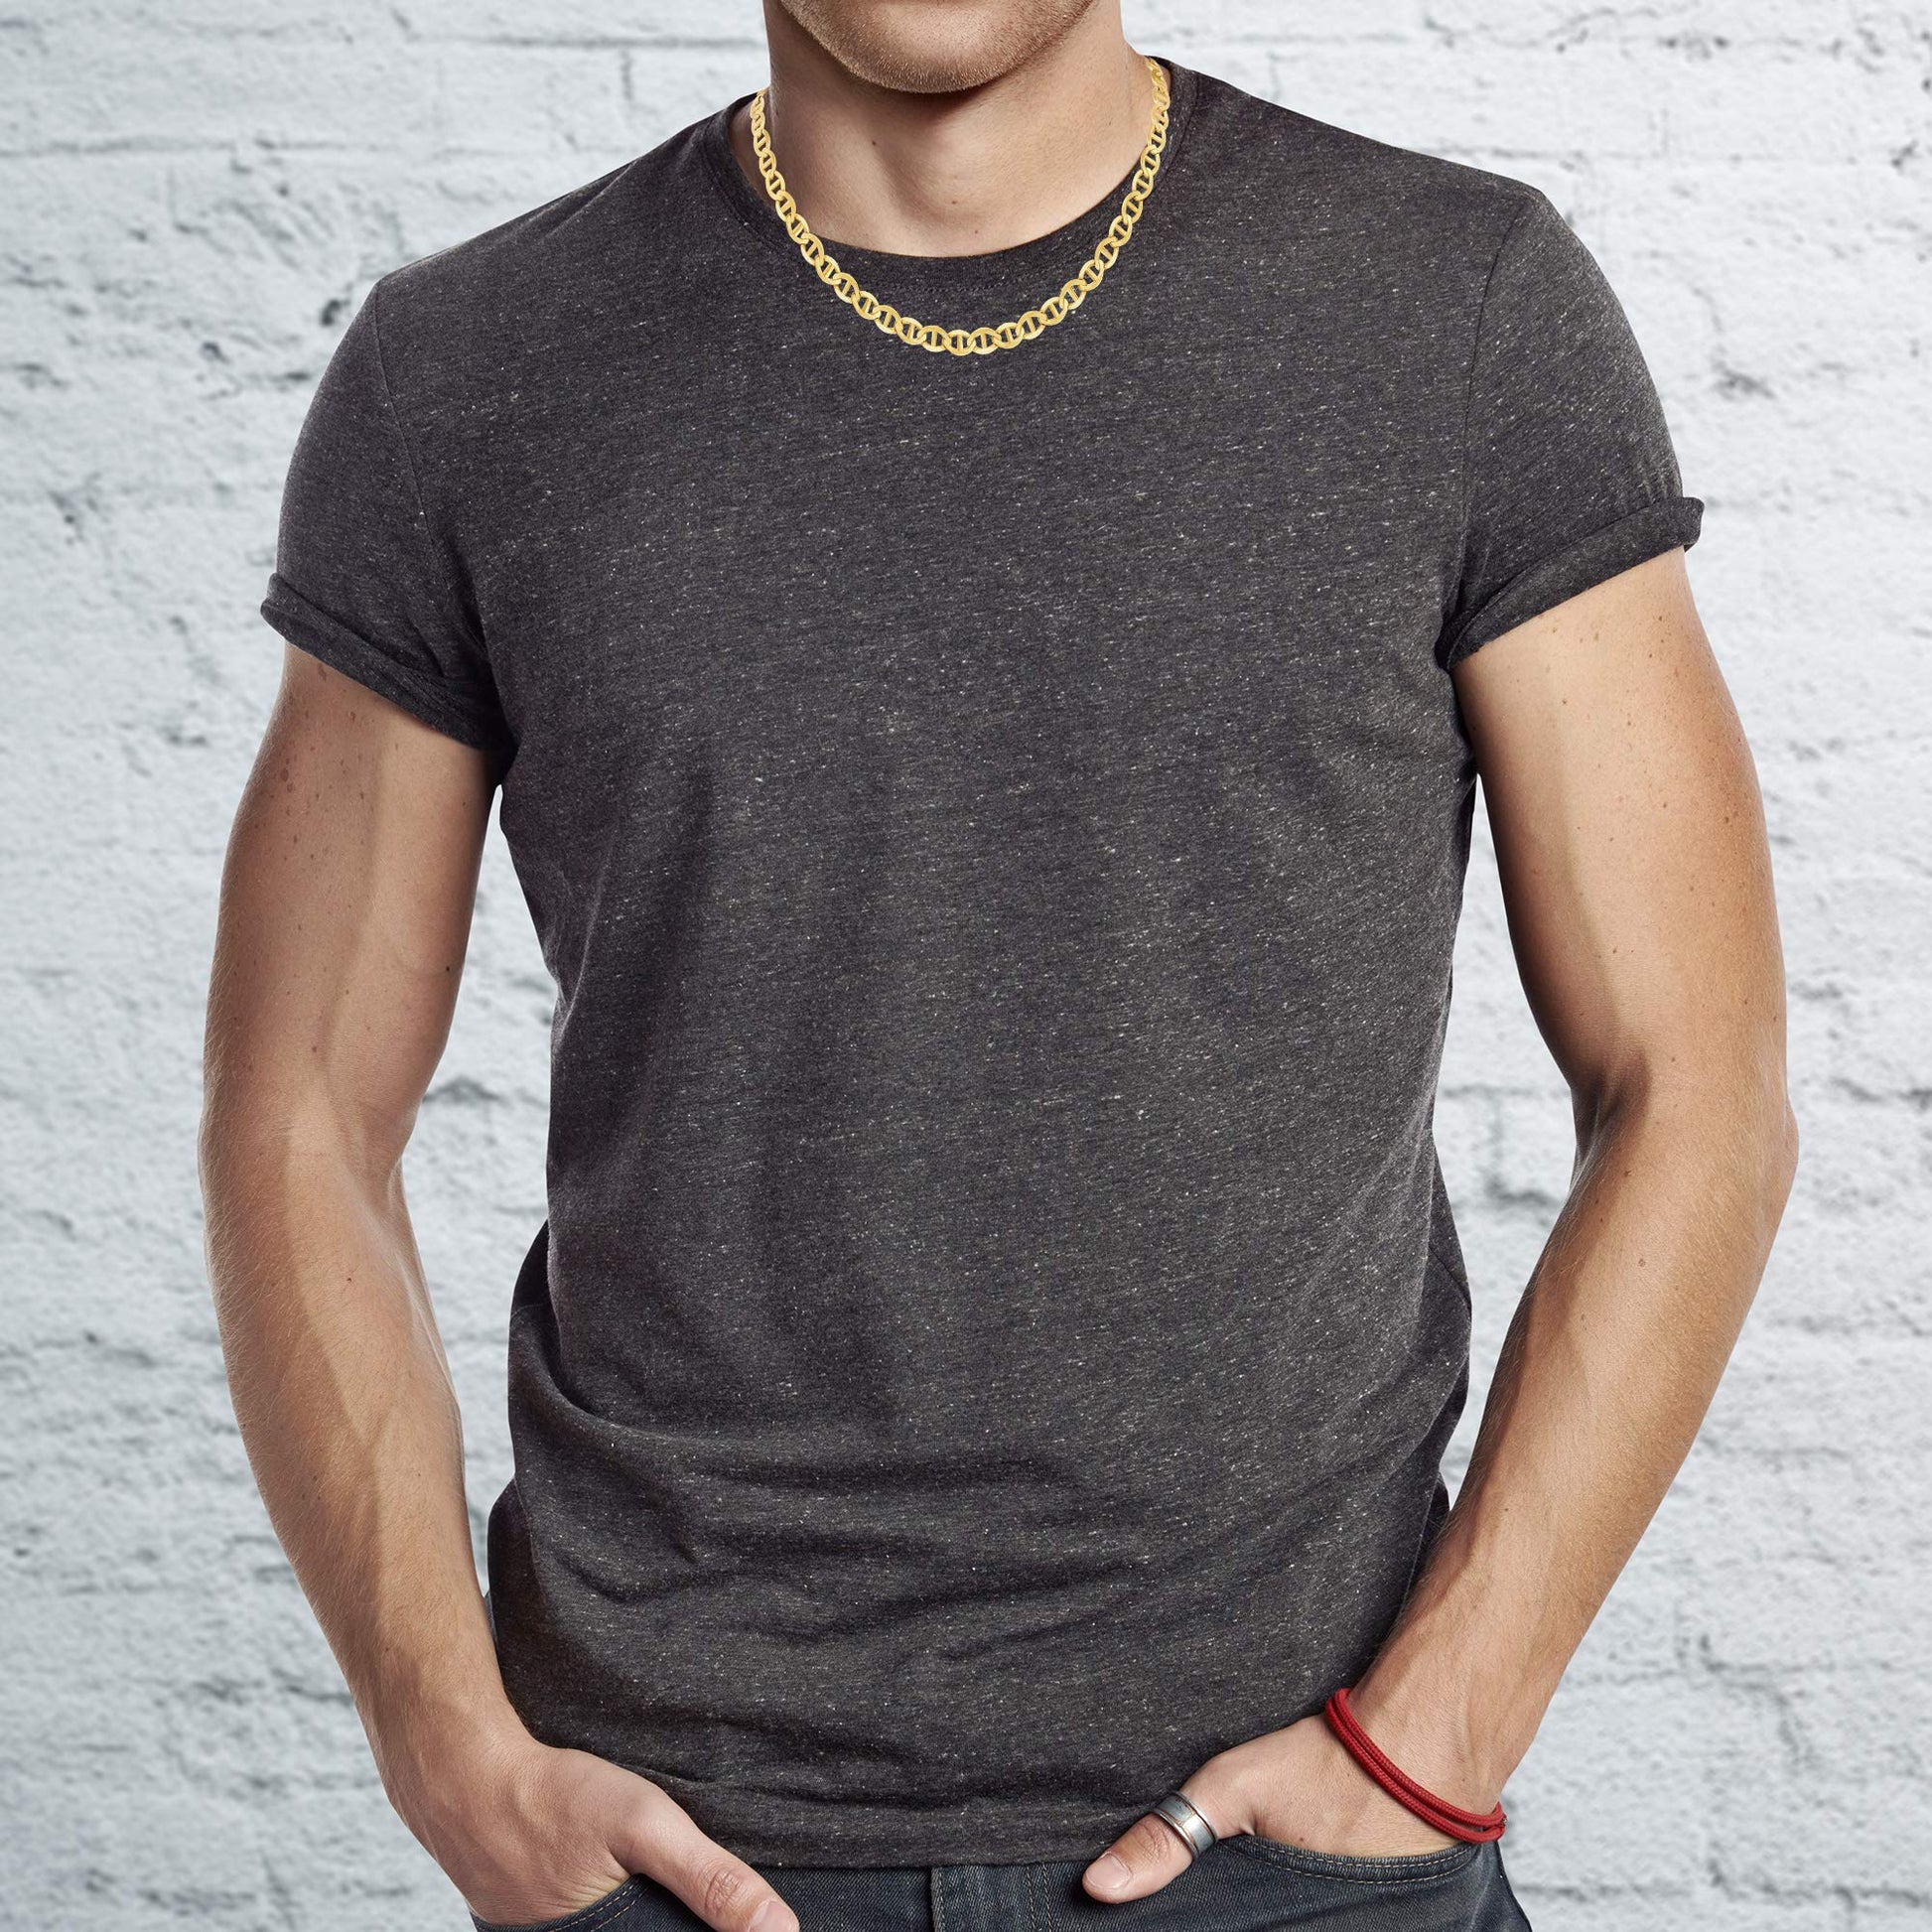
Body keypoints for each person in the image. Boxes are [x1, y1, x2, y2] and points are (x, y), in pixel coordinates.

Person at [199, 3, 1798, 1929]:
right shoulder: (469, 370)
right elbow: (297, 1108)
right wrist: (444, 1740)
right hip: (670, 1838)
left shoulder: (1453, 308)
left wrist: (1437, 1727)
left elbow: (1695, 1082)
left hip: (1299, 1845)